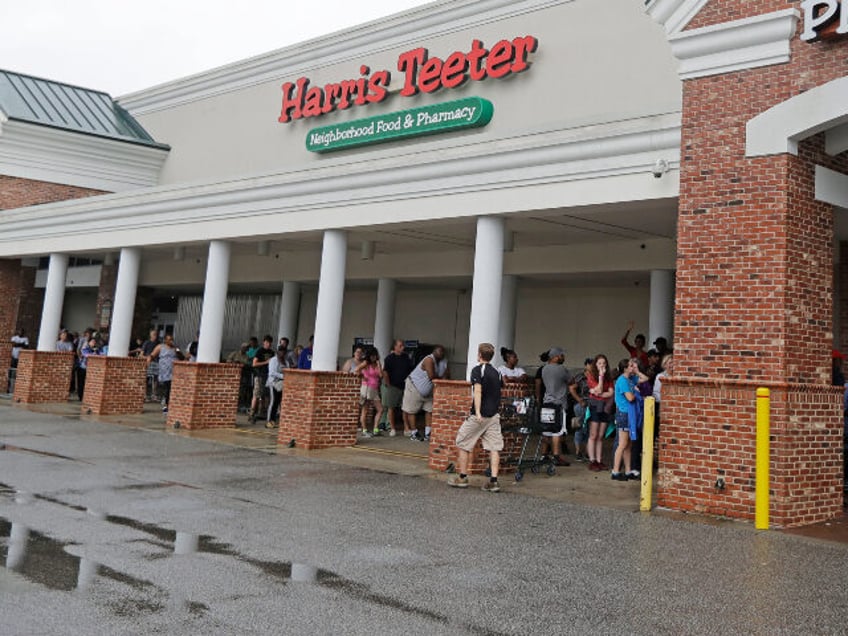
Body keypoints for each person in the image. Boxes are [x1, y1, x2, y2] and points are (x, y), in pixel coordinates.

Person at [448, 342, 504, 492]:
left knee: (463, 442)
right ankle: (494, 481)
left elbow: (477, 391)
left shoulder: (478, 370)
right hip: (494, 415)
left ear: (479, 355)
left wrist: (478, 412)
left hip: (480, 416)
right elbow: (498, 392)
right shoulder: (497, 372)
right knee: (494, 447)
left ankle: (462, 477)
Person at [611, 357, 649, 481]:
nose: (633, 367)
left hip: (630, 414)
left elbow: (645, 379)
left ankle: (628, 470)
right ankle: (615, 471)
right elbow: (630, 398)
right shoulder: (622, 381)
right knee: (622, 443)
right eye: (631, 366)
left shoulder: (631, 379)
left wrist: (637, 372)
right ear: (625, 368)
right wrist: (637, 395)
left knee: (628, 445)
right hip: (624, 414)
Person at [402, 345, 450, 441]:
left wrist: (445, 372)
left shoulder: (442, 362)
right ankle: (414, 433)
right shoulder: (429, 359)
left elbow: (447, 375)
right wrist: (442, 377)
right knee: (412, 410)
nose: (442, 354)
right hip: (414, 387)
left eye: (443, 352)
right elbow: (431, 376)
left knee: (429, 410)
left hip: (428, 392)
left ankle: (428, 432)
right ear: (435, 352)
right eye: (440, 352)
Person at [539, 347, 573, 466]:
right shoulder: (561, 369)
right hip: (558, 404)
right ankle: (556, 456)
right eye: (562, 356)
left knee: (546, 430)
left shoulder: (544, 369)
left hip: (546, 403)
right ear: (556, 357)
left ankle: (544, 455)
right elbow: (571, 381)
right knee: (557, 431)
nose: (563, 358)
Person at [586, 354, 614, 471]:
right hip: (594, 406)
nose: (602, 365)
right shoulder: (591, 376)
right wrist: (601, 377)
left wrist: (598, 393)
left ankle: (599, 460)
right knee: (593, 435)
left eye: (604, 363)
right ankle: (592, 460)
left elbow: (610, 393)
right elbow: (600, 389)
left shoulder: (610, 377)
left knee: (601, 436)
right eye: (599, 363)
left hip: (605, 407)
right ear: (595, 365)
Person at [382, 339, 413, 437]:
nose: (402, 347)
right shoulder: (389, 358)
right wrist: (388, 384)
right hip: (393, 386)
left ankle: (406, 428)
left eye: (403, 345)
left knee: (405, 408)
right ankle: (392, 428)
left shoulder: (406, 357)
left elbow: (410, 371)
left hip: (404, 386)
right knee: (391, 408)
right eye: (400, 346)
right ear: (395, 347)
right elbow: (385, 372)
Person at [147, 334, 182, 413]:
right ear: (165, 340)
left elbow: (181, 357)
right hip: (164, 371)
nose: (171, 341)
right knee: (168, 387)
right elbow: (153, 355)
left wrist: (177, 350)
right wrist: (149, 360)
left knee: (171, 387)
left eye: (172, 339)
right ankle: (166, 404)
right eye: (169, 339)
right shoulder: (160, 347)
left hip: (173, 370)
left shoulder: (175, 348)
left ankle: (168, 403)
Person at [356, 346, 384, 437]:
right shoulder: (366, 363)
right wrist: (363, 377)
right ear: (369, 356)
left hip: (374, 389)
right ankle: (364, 430)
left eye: (375, 355)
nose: (374, 357)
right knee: (365, 410)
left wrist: (379, 365)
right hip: (367, 387)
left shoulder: (376, 364)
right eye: (372, 356)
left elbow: (380, 375)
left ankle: (375, 428)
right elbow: (357, 370)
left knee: (380, 409)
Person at [569, 358, 593, 462]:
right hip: (582, 404)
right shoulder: (580, 377)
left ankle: (588, 452)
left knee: (590, 429)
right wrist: (579, 400)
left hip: (592, 405)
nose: (592, 366)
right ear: (586, 365)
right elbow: (571, 388)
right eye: (590, 364)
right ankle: (578, 452)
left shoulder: (596, 377)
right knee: (580, 428)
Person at [249, 335, 275, 424]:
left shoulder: (272, 352)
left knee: (266, 395)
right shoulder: (260, 351)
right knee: (256, 394)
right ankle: (252, 413)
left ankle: (263, 412)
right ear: (264, 342)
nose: (268, 344)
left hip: (268, 376)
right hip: (260, 375)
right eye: (267, 342)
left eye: (270, 343)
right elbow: (254, 364)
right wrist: (265, 362)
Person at [266, 345, 287, 428]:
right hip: (273, 383)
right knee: (273, 402)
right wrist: (282, 376)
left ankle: (274, 420)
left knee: (278, 402)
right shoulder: (274, 360)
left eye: (284, 351)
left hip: (281, 385)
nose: (282, 352)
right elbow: (271, 372)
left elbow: (287, 370)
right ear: (278, 351)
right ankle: (269, 420)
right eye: (281, 351)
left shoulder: (285, 361)